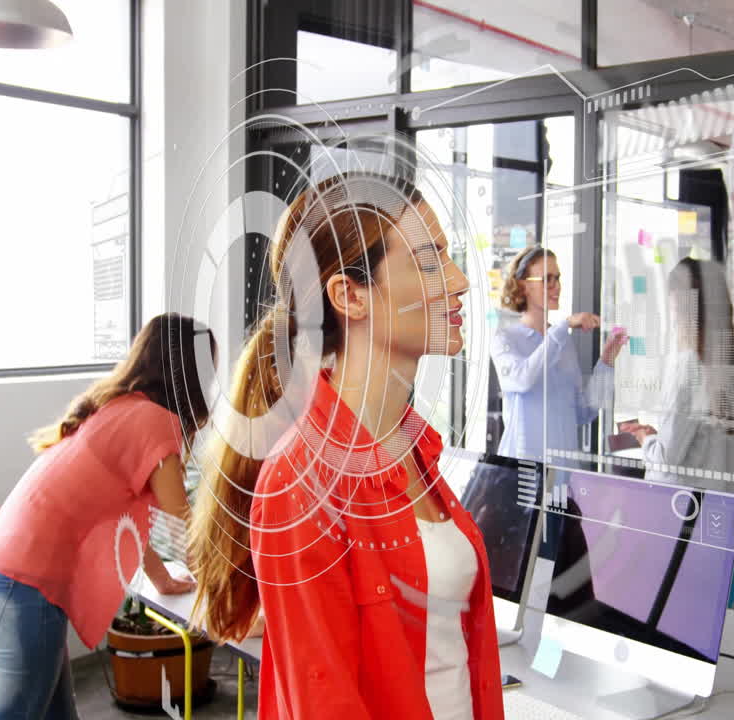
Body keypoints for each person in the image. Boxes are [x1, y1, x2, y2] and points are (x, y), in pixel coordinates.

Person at [189, 172, 505, 720]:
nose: (459, 281)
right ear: (349, 295)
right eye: (430, 263)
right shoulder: (300, 482)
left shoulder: (413, 449)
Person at [0, 313, 214, 720]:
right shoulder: (155, 421)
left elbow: (127, 519)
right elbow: (186, 528)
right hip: (23, 590)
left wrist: (162, 578)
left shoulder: (116, 409)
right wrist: (231, 608)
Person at [490, 246, 627, 462]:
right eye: (547, 279)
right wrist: (564, 325)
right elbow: (522, 379)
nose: (557, 287)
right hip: (522, 477)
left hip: (561, 478)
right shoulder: (505, 339)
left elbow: (583, 412)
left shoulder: (563, 343)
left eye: (558, 278)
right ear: (524, 286)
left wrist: (607, 361)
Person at [624, 258, 734, 491]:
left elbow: (668, 457)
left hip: (681, 509)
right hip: (724, 501)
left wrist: (646, 439)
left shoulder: (687, 365)